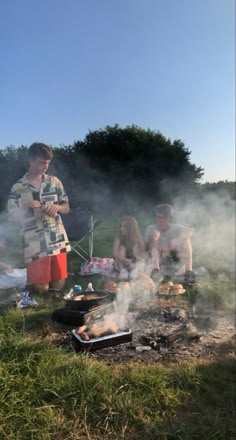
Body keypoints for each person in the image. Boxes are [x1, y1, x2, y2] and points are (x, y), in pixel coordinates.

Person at [7, 142, 71, 294]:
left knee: (59, 283)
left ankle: (54, 300)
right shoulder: (18, 187)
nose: (45, 167)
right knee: (42, 288)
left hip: (56, 237)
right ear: (30, 160)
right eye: (42, 163)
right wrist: (24, 206)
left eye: (48, 163)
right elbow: (11, 216)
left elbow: (66, 207)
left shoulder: (54, 182)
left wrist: (57, 207)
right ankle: (42, 292)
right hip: (33, 242)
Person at [145, 204, 194, 277]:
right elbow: (146, 247)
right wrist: (157, 245)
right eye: (158, 217)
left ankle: (189, 271)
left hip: (174, 257)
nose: (161, 220)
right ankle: (155, 270)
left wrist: (171, 245)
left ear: (169, 218)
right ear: (155, 218)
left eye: (164, 218)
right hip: (157, 258)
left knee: (185, 238)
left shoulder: (177, 227)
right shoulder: (150, 228)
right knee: (155, 234)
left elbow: (190, 231)